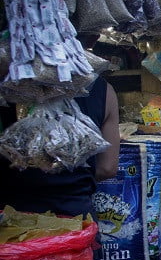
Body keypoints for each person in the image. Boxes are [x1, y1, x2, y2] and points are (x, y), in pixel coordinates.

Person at [0, 75, 120, 218]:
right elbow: (107, 168)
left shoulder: (6, 79)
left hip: (12, 221)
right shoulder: (103, 87)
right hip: (77, 219)